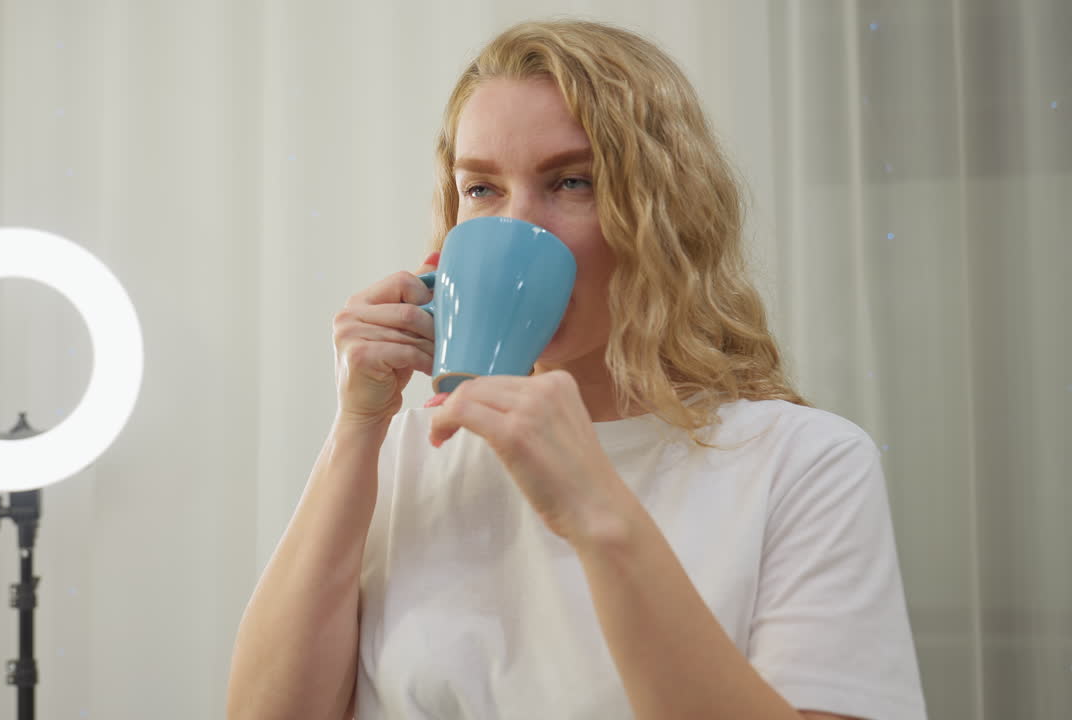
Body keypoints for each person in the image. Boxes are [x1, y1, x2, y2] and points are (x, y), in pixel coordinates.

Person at [227, 19, 925, 720]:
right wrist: (357, 427)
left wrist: (597, 512)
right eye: (482, 190)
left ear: (665, 215)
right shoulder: (409, 452)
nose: (520, 226)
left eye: (571, 182)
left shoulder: (803, 464)